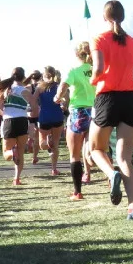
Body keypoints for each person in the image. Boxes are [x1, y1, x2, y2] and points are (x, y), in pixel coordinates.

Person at [89, 1, 133, 220]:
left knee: (95, 149)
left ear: (104, 17)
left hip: (107, 98)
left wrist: (93, 80)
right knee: (125, 156)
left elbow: (97, 69)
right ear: (122, 17)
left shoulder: (98, 39)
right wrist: (127, 79)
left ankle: (111, 173)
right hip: (131, 99)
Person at [57, 42, 96, 200]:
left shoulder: (74, 70)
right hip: (96, 110)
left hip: (78, 111)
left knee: (74, 155)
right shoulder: (96, 69)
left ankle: (77, 192)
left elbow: (63, 86)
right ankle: (107, 176)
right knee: (97, 147)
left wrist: (57, 97)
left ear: (76, 54)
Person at [0, 68, 34, 186]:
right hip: (22, 121)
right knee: (21, 152)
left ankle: (13, 153)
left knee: (6, 153)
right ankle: (17, 179)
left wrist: (5, 114)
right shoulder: (25, 91)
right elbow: (34, 107)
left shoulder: (6, 90)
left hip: (8, 122)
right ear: (23, 77)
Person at [36, 67, 65, 177]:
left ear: (44, 76)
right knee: (56, 144)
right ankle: (54, 169)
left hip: (44, 117)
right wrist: (63, 105)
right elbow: (64, 101)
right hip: (57, 116)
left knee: (42, 144)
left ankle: (47, 143)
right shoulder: (59, 86)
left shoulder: (40, 87)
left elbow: (33, 100)